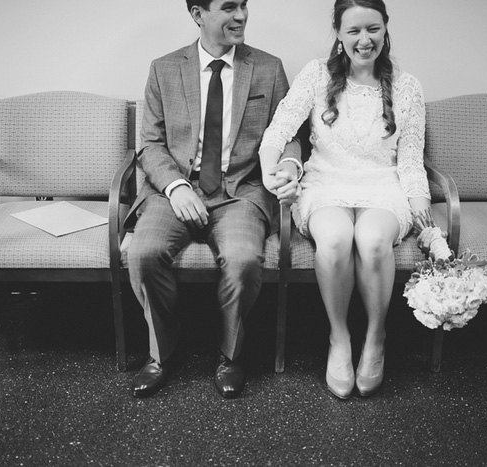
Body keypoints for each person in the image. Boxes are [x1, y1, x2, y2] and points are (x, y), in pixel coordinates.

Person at [125, 0, 302, 399]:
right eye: (228, 7)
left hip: (242, 191)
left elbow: (291, 132)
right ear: (197, 14)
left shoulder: (269, 68)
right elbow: (150, 145)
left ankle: (231, 355)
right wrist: (175, 186)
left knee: (242, 260)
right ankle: (162, 351)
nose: (240, 16)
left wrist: (290, 164)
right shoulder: (164, 68)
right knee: (144, 254)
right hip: (175, 193)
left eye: (243, 6)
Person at [260, 0, 436, 399]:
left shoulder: (407, 87)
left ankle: (376, 337)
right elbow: (277, 132)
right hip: (325, 183)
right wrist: (275, 179)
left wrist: (421, 202)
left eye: (372, 29)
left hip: (382, 185)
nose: (364, 40)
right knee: (336, 238)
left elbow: (410, 159)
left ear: (385, 28)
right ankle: (338, 338)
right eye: (354, 30)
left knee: (373, 241)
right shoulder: (316, 75)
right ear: (338, 32)